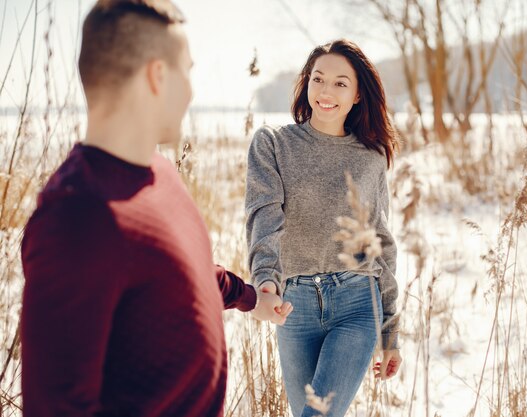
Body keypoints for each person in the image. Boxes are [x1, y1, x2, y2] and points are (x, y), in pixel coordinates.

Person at [19, 1, 291, 416]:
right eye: (187, 70)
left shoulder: (159, 173)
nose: (192, 90)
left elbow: (181, 271)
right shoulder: (76, 217)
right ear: (157, 76)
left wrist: (251, 298)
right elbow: (56, 406)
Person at [245, 39, 402, 417]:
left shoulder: (371, 156)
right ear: (307, 83)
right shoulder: (273, 144)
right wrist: (265, 281)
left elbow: (380, 241)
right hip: (293, 305)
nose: (326, 92)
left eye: (340, 83)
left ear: (358, 95)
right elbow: (264, 217)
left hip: (357, 302)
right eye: (318, 79)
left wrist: (390, 331)